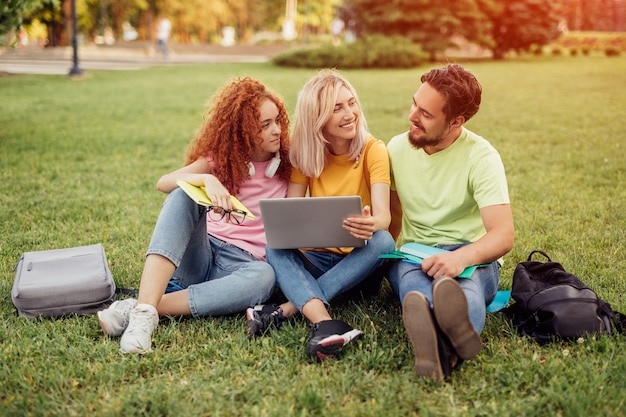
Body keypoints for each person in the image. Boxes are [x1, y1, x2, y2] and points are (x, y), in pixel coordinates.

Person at [97, 77, 291, 354]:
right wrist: (206, 180)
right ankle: (145, 318)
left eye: (278, 121)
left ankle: (143, 307)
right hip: (201, 254)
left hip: (243, 265)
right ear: (244, 131)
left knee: (265, 277)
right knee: (182, 192)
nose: (277, 131)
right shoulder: (220, 160)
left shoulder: (289, 164)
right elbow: (163, 182)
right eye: (265, 125)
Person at [246, 69, 396, 362]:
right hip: (315, 258)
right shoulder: (305, 155)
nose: (349, 113)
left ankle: (288, 308)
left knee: (384, 241)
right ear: (318, 118)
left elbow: (384, 219)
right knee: (275, 248)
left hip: (358, 261)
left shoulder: (374, 150)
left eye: (351, 103)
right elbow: (290, 215)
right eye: (336, 108)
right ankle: (325, 323)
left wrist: (370, 223)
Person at [386, 64, 515, 381]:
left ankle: (439, 347)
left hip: (471, 254)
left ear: (456, 122)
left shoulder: (481, 157)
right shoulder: (396, 149)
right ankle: (450, 348)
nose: (412, 116)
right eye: (415, 103)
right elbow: (392, 218)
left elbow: (503, 234)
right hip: (416, 253)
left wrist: (461, 258)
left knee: (463, 289)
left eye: (426, 114)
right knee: (414, 286)